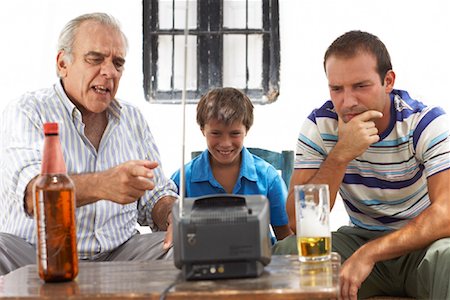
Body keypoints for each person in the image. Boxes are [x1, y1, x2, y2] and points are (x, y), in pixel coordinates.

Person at [273, 30, 450, 299]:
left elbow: (446, 214)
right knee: (287, 253)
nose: (348, 102)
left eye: (360, 86)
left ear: (388, 81)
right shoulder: (320, 127)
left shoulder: (425, 124)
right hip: (358, 239)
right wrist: (341, 154)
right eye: (337, 89)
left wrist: (370, 253)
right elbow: (298, 222)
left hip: (421, 245)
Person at [0, 13, 178, 276]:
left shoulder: (132, 117)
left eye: (117, 63)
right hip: (33, 254)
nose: (109, 72)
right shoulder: (28, 110)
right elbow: (34, 196)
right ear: (63, 63)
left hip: (120, 255)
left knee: (185, 250)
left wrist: (173, 215)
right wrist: (104, 184)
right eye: (95, 59)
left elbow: (156, 196)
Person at [171, 87, 292, 241]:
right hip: (202, 263)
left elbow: (285, 238)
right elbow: (169, 236)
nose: (226, 143)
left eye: (235, 133)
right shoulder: (182, 179)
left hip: (259, 263)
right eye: (216, 133)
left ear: (246, 130)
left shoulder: (268, 178)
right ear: (202, 129)